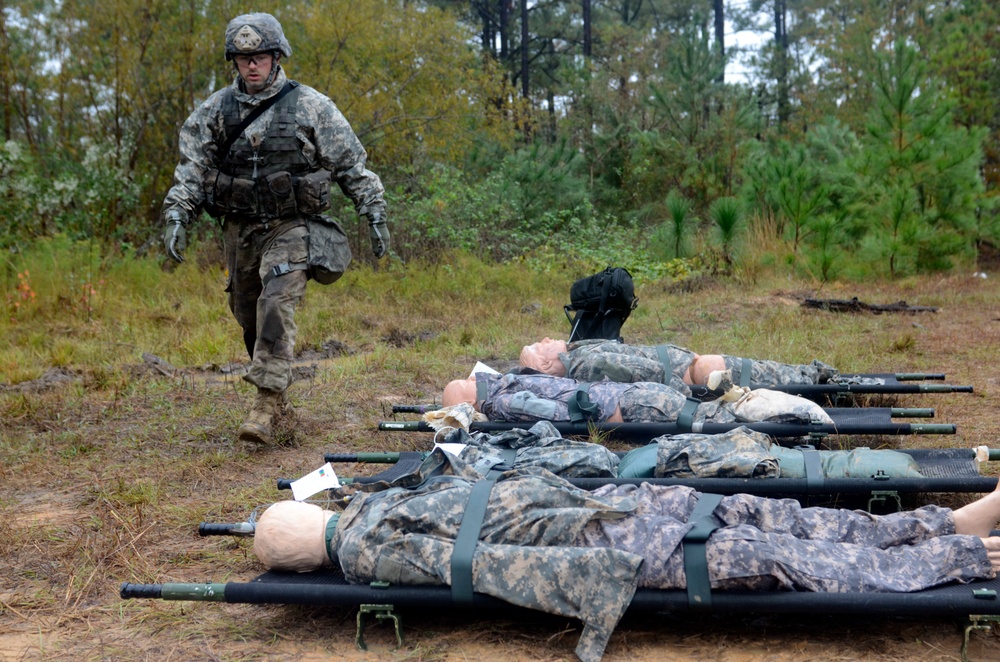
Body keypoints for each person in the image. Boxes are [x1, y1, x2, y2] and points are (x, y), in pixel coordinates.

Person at [252, 449, 1000, 662]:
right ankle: (966, 546)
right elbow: (482, 564)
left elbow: (486, 546)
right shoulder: (377, 536)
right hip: (617, 524)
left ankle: (960, 537)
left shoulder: (373, 520)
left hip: (612, 525)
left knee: (784, 540)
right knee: (786, 537)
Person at [160, 13, 388, 445]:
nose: (252, 65)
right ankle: (277, 395)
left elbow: (350, 164)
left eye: (260, 56)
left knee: (278, 301)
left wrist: (373, 210)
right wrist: (178, 215)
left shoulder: (311, 106)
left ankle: (264, 406)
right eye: (244, 57)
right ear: (234, 61)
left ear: (276, 56)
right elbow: (192, 170)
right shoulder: (213, 112)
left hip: (290, 225)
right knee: (249, 314)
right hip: (240, 230)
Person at [441, 371, 834, 426]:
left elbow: (560, 414)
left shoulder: (505, 403)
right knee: (713, 410)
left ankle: (794, 417)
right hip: (633, 393)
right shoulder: (510, 380)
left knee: (720, 418)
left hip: (627, 407)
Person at [519, 338, 853, 394]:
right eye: (541, 345)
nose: (546, 338)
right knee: (768, 376)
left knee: (766, 374)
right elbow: (642, 372)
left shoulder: (580, 353)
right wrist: (688, 393)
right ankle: (819, 380)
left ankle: (817, 379)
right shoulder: (586, 364)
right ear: (549, 361)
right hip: (696, 373)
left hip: (692, 367)